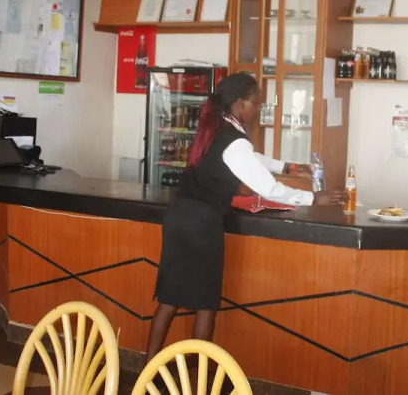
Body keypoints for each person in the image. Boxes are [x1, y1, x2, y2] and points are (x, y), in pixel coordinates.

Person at [144, 73, 348, 364]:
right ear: (240, 104)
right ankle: (198, 381)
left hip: (179, 217)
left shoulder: (217, 127)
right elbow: (268, 188)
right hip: (201, 225)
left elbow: (251, 159)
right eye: (257, 104)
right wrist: (313, 198)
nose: (259, 109)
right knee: (205, 305)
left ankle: (147, 372)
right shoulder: (232, 138)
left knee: (169, 300)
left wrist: (289, 167)